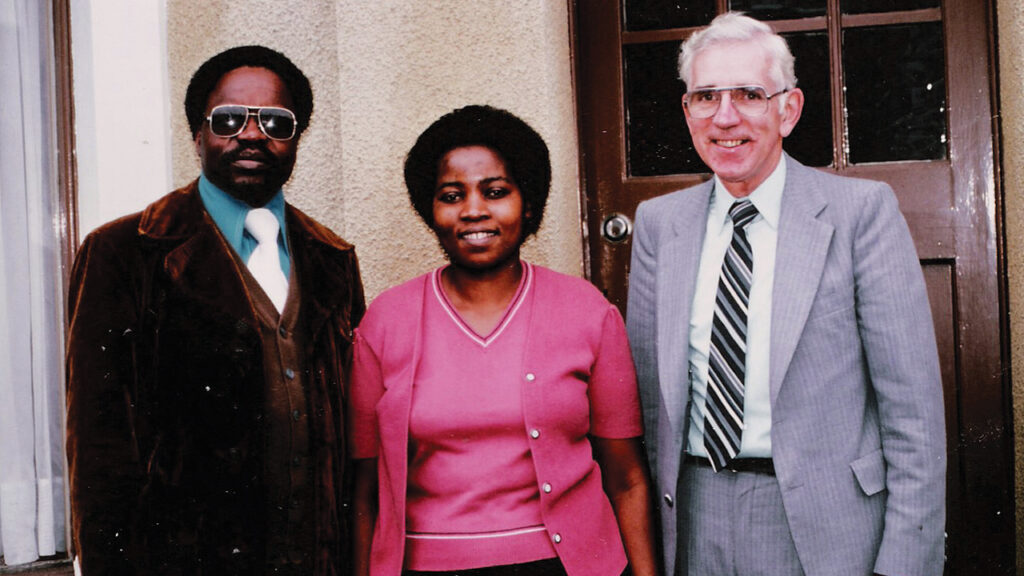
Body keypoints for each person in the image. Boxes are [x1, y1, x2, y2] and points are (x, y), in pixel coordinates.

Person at [626, 13, 946, 576]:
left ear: (788, 110)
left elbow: (913, 413)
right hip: (695, 517)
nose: (725, 117)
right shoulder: (659, 224)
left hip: (828, 528)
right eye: (706, 96)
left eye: (750, 94)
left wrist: (904, 563)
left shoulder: (859, 215)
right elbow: (651, 402)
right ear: (687, 111)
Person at [65, 45, 365, 575]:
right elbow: (98, 448)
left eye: (275, 122)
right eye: (229, 119)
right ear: (197, 135)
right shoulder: (124, 252)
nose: (251, 135)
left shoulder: (332, 258)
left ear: (296, 139)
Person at [349, 105, 658, 576]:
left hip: (566, 565)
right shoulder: (386, 321)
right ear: (431, 210)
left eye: (495, 192)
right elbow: (365, 492)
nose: (473, 210)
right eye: (452, 196)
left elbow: (628, 479)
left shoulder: (587, 311)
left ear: (528, 204)